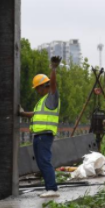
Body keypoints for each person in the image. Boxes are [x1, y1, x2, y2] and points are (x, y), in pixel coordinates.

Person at [19, 56, 61, 198]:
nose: (37, 91)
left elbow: (53, 85)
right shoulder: (42, 101)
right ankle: (49, 188)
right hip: (39, 136)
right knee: (42, 162)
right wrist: (22, 113)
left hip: (45, 135)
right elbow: (35, 114)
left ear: (44, 86)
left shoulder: (51, 97)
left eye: (38, 88)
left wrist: (53, 70)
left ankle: (52, 189)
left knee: (44, 161)